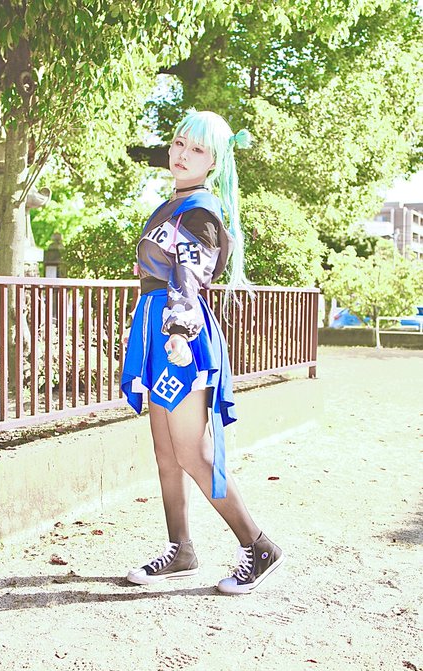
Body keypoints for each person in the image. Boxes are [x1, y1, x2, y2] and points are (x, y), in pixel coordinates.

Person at [121, 109, 284, 594]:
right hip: (157, 329)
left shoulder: (199, 211)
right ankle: (181, 549)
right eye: (178, 143)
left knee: (193, 451)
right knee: (166, 453)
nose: (182, 154)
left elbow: (189, 279)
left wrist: (177, 332)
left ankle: (259, 546)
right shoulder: (176, 204)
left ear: (214, 161)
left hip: (179, 334)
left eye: (197, 149)